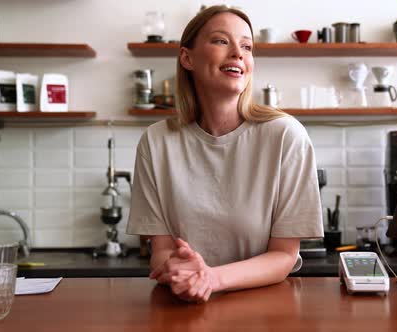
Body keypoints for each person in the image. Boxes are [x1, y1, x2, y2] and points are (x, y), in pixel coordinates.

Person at [127, 5, 323, 303]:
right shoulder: (156, 142)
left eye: (246, 46)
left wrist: (211, 278)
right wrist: (177, 269)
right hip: (184, 310)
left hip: (263, 312)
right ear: (187, 57)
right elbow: (161, 253)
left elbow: (284, 256)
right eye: (221, 41)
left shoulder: (286, 136)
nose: (238, 53)